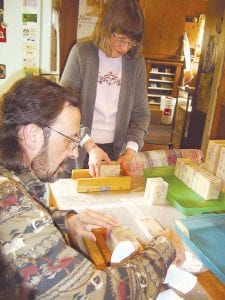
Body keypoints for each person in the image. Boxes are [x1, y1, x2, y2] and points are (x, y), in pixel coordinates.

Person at [0, 76, 184, 299]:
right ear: (32, 135)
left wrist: (65, 221)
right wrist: (165, 246)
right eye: (70, 139)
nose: (75, 153)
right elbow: (99, 293)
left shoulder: (14, 173)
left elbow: (26, 215)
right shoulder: (8, 203)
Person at [60, 0, 150, 176]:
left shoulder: (136, 63)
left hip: (114, 152)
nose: (125, 48)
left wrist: (131, 149)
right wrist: (90, 146)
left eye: (131, 42)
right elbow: (63, 108)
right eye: (121, 39)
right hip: (78, 145)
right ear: (106, 27)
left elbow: (141, 114)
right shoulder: (81, 54)